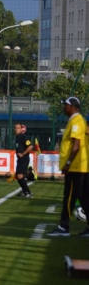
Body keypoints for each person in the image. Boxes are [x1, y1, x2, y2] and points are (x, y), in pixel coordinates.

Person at [48, 97, 89, 237]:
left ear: (73, 107)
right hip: (79, 166)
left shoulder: (77, 121)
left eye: (66, 105)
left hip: (76, 167)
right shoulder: (75, 120)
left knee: (69, 196)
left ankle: (63, 226)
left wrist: (68, 164)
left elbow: (76, 145)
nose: (64, 107)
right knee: (83, 197)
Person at [13, 123, 34, 197]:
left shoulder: (23, 136)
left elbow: (30, 146)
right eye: (15, 128)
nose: (16, 129)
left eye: (18, 128)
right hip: (20, 159)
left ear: (21, 129)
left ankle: (27, 192)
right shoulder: (17, 137)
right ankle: (24, 191)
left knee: (19, 175)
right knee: (18, 175)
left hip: (24, 158)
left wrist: (23, 153)